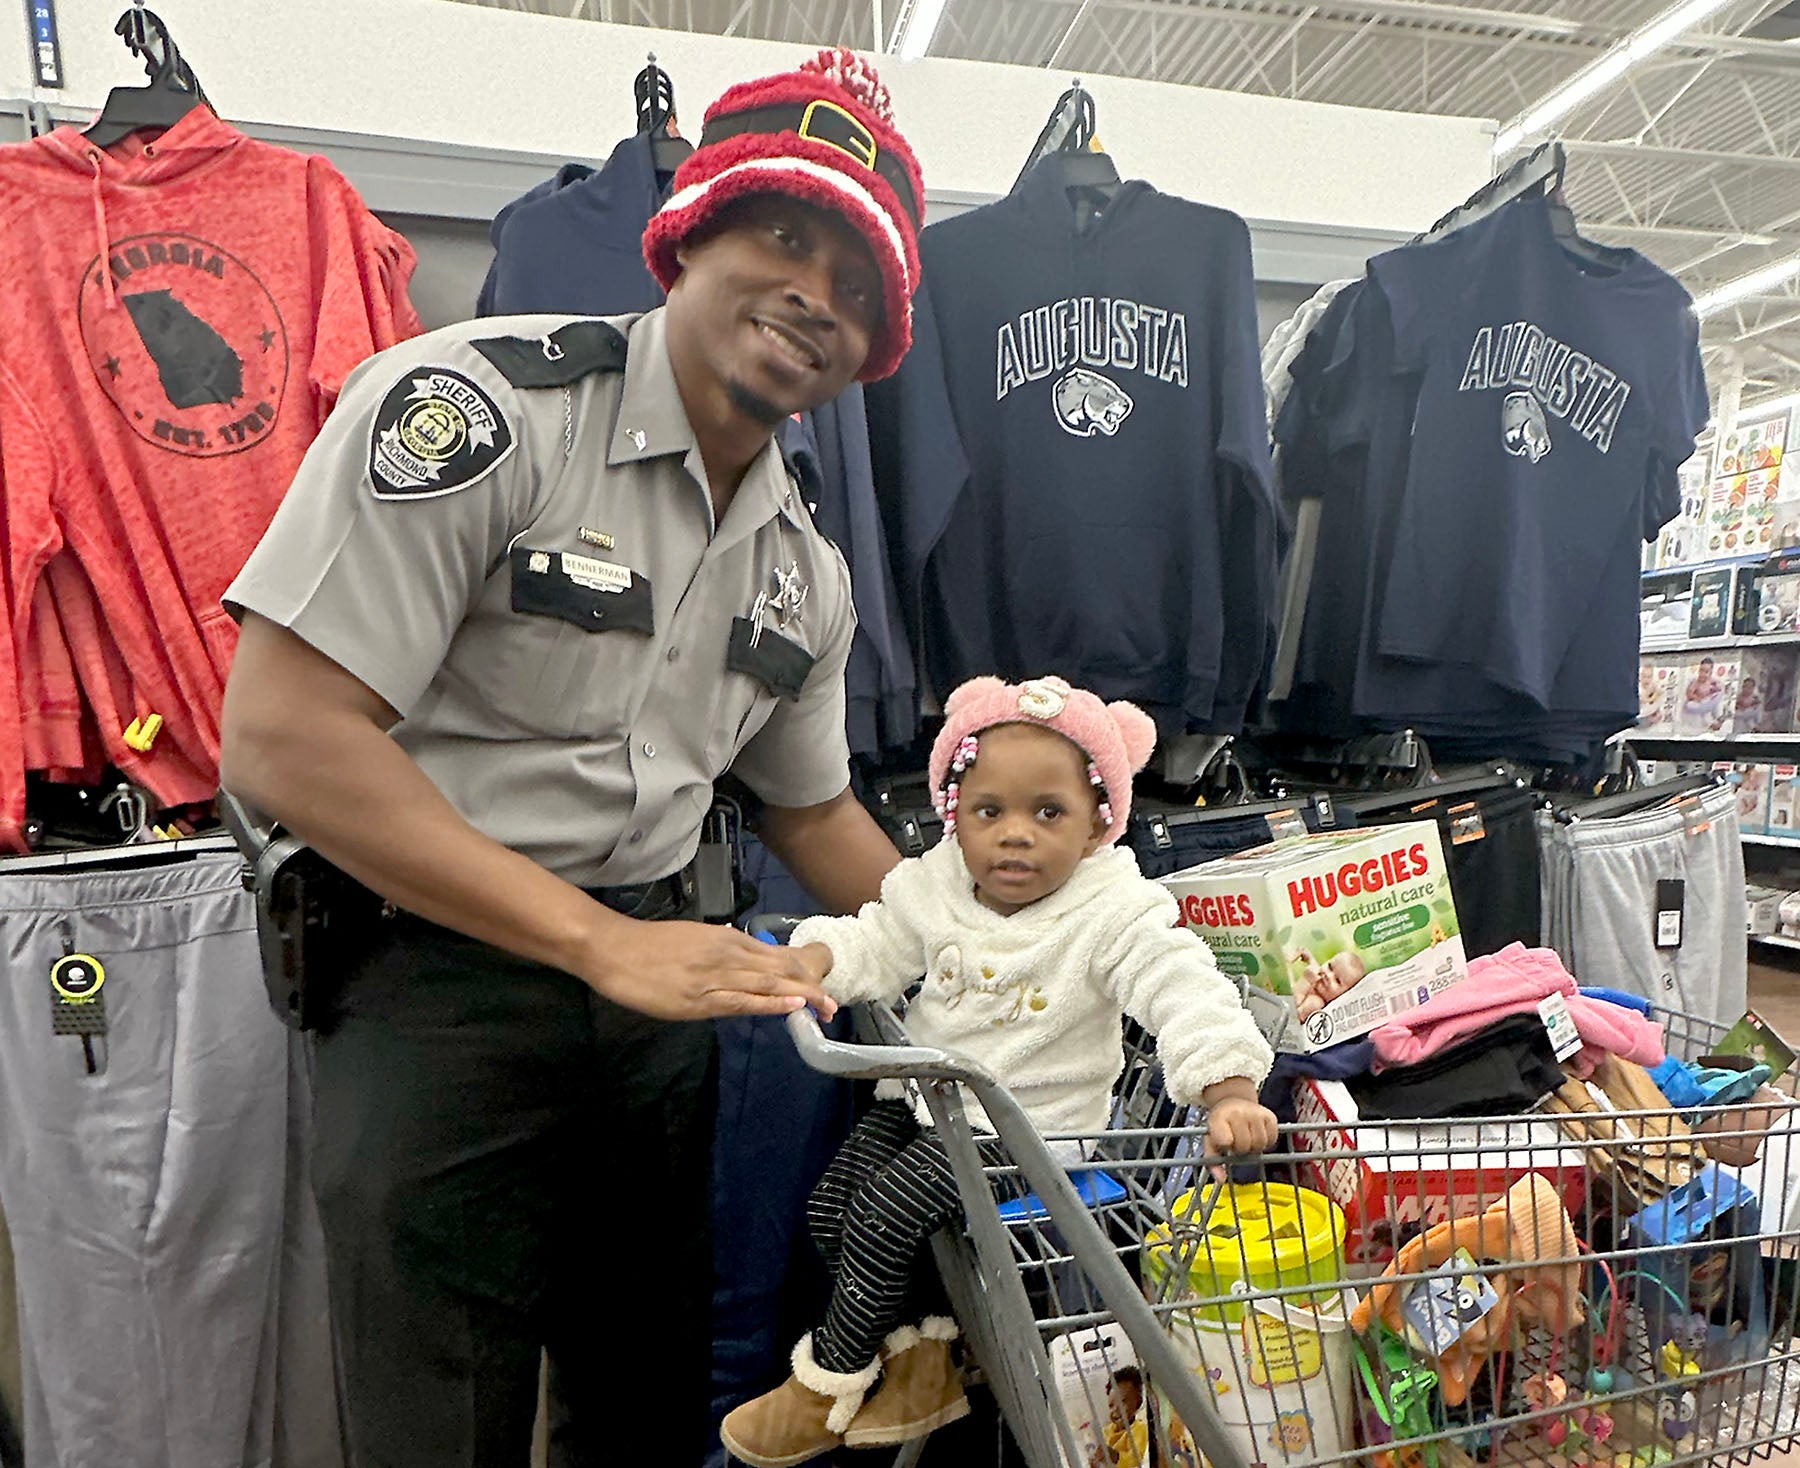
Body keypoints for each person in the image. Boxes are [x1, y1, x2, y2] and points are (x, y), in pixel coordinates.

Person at [218, 47, 925, 1467]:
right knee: (440, 1421)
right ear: (692, 229)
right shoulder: (483, 416)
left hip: (661, 1015)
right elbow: (284, 738)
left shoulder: (806, 570)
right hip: (438, 996)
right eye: (785, 237)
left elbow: (815, 811)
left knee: (642, 1407)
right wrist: (597, 944)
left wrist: (1010, 938)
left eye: (858, 290)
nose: (815, 298)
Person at [720, 675, 1278, 1465]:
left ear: (1097, 826)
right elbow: (879, 938)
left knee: (885, 1212)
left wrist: (1227, 1088)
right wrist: (816, 959)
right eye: (990, 812)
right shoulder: (941, 881)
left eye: (1048, 813)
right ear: (955, 814)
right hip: (926, 1104)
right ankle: (922, 1358)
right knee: (830, 1205)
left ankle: (828, 1385)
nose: (1014, 835)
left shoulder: (1114, 911)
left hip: (1029, 1131)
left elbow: (1182, 986)